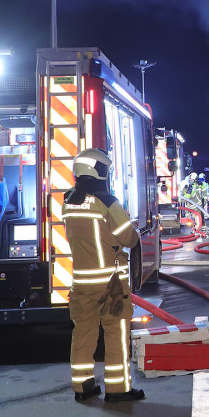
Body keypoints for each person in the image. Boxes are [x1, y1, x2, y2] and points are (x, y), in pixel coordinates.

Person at [62, 148, 145, 403]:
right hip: (111, 283)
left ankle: (82, 386)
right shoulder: (107, 202)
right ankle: (118, 390)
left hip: (81, 282)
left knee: (83, 333)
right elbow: (129, 238)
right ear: (98, 171)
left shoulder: (68, 201)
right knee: (116, 332)